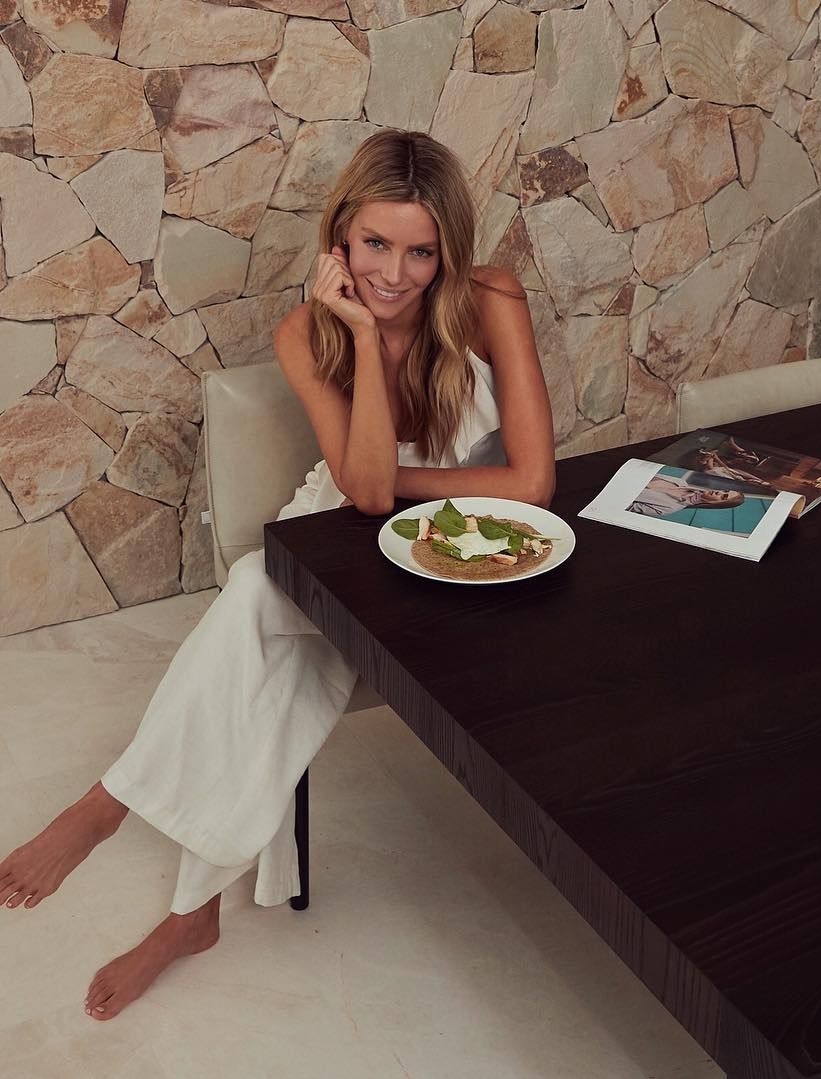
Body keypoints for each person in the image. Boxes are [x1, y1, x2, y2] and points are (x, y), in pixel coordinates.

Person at [0, 130, 555, 1020]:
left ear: (448, 248)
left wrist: (391, 484)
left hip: (452, 548)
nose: (395, 273)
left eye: (420, 251)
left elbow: (527, 485)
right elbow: (357, 493)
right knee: (266, 612)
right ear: (341, 235)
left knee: (258, 619)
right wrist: (363, 341)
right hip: (335, 530)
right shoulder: (305, 332)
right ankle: (175, 896)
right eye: (375, 243)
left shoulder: (491, 299)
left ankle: (128, 827)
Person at [628, 474, 745, 518]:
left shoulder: (669, 508)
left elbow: (627, 507)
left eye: (723, 497)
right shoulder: (680, 482)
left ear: (715, 504)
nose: (719, 492)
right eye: (725, 490)